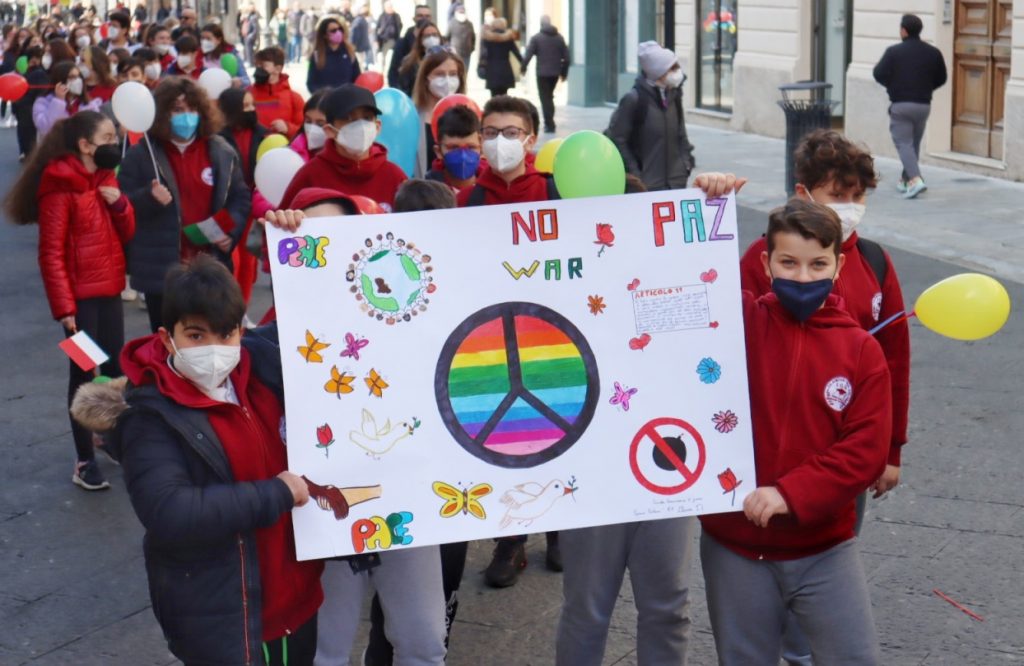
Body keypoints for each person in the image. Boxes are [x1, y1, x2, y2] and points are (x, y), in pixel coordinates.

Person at [69, 255, 324, 665]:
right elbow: (170, 511)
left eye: (226, 335)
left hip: (295, 603)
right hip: (223, 619)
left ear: (242, 331)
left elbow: (321, 312)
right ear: (167, 337)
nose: (213, 350)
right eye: (195, 335)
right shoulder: (149, 416)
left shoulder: (259, 370)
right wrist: (276, 493)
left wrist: (299, 239)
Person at [262, 184, 451, 666]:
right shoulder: (274, 328)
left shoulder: (412, 313)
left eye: (341, 233)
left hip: (407, 504)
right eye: (314, 232)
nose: (328, 244)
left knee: (425, 642)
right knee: (326, 650)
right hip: (322, 513)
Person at [700, 196, 891, 665]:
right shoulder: (738, 324)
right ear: (765, 263)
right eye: (788, 262)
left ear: (838, 264)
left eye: (817, 264)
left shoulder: (861, 351)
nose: (803, 277)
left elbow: (864, 451)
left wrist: (790, 492)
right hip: (735, 544)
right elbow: (687, 280)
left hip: (825, 548)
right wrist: (706, 205)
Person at [454, 96, 560, 586]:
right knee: (507, 439)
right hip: (494, 338)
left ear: (532, 139)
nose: (501, 142)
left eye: (512, 132)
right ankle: (510, 541)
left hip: (555, 335)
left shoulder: (560, 193)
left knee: (562, 431)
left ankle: (561, 529)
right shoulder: (468, 201)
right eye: (491, 132)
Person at [4, 110, 134, 492]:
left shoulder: (105, 178)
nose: (115, 143)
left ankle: (106, 437)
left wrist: (121, 205)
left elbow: (127, 231)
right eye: (109, 137)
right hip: (79, 304)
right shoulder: (59, 186)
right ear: (85, 145)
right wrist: (65, 310)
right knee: (83, 376)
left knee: (113, 369)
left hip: (109, 292)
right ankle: (84, 460)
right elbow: (51, 253)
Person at [118, 76, 251, 332]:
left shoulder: (221, 151)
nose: (186, 116)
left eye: (192, 109)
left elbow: (240, 197)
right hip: (163, 267)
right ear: (162, 113)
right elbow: (122, 204)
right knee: (167, 337)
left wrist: (229, 232)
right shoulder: (142, 155)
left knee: (211, 334)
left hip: (210, 264)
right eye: (178, 110)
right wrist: (148, 197)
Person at [279, 83, 407, 210]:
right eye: (349, 118)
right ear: (330, 130)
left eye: (367, 118)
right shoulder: (310, 175)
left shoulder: (395, 177)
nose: (360, 126)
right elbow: (278, 226)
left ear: (377, 127)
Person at [872, 13, 947, 199]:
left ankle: (916, 179)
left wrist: (892, 85)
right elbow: (942, 78)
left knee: (904, 143)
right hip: (923, 105)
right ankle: (905, 180)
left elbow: (878, 73)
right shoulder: (933, 52)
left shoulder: (893, 52)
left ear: (903, 30)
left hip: (901, 105)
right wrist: (926, 88)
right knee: (912, 144)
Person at [606, 41, 693, 191]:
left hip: (676, 184)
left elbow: (681, 133)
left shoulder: (673, 94)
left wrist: (686, 164)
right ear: (658, 72)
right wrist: (636, 175)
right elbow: (617, 140)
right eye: (672, 69)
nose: (677, 72)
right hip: (648, 186)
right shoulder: (634, 99)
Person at [455, 94, 554, 208]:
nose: (499, 140)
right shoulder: (464, 201)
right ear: (481, 140)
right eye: (491, 133)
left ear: (530, 142)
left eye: (511, 133)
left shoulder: (553, 193)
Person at [218, 87, 267, 303]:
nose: (250, 110)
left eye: (252, 105)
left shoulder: (262, 134)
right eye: (245, 106)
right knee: (229, 260)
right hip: (229, 206)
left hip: (253, 205)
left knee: (248, 264)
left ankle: (242, 309)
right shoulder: (218, 138)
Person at [411, 47, 467, 177]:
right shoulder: (412, 117)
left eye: (453, 74)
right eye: (439, 74)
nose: (447, 80)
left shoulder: (468, 114)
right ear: (425, 78)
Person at [522, 15, 568, 134]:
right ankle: (550, 121)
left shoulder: (537, 38)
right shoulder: (559, 38)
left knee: (545, 98)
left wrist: (523, 67)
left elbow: (528, 54)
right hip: (555, 73)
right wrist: (564, 73)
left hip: (542, 73)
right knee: (549, 97)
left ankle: (549, 124)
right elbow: (567, 57)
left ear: (540, 24)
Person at [32, 60, 103, 137]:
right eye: (72, 77)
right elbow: (46, 129)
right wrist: (59, 101)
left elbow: (96, 130)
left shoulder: (89, 104)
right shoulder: (43, 102)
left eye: (79, 76)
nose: (77, 81)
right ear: (61, 81)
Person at [425, 104, 483, 191]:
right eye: (453, 148)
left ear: (481, 147)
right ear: (438, 152)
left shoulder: (495, 188)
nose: (463, 156)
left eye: (470, 147)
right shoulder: (425, 193)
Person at [250, 45, 304, 136]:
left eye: (263, 65)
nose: (259, 69)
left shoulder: (294, 98)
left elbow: (304, 130)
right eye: (257, 65)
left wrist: (288, 128)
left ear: (278, 69)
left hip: (283, 148)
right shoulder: (247, 94)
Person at [305, 16, 360, 93]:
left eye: (340, 29)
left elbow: (357, 78)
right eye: (333, 30)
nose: (338, 32)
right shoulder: (316, 55)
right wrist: (321, 96)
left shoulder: (350, 53)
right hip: (325, 101)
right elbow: (311, 83)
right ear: (324, 35)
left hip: (347, 99)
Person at [14, 45, 46, 159]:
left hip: (28, 106)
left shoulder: (40, 72)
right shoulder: (33, 72)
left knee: (28, 134)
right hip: (27, 107)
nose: (35, 60)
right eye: (33, 58)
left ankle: (29, 153)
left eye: (38, 57)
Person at [394, 19, 441, 96]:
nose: (432, 38)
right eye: (427, 36)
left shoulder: (446, 58)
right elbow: (404, 87)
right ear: (420, 39)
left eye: (435, 35)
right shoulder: (410, 62)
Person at [478, 17, 521, 97]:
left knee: (493, 95)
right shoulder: (509, 38)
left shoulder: (487, 38)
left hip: (492, 70)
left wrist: (480, 66)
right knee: (504, 94)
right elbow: (516, 53)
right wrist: (523, 64)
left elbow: (483, 54)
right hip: (505, 69)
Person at [375, 0, 402, 71]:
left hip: (394, 39)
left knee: (391, 57)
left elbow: (400, 25)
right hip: (384, 40)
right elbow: (377, 28)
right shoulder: (382, 16)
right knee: (383, 57)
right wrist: (376, 39)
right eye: (388, 7)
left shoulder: (396, 16)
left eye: (391, 6)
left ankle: (390, 70)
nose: (390, 8)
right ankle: (383, 71)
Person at [446, 3, 474, 68]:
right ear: (456, 12)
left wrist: (472, 48)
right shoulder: (452, 23)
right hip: (455, 52)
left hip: (467, 53)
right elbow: (447, 37)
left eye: (463, 12)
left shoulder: (469, 24)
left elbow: (473, 38)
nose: (461, 13)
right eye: (460, 12)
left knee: (465, 70)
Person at [350, 2, 374, 72]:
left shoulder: (358, 21)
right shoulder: (362, 20)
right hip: (362, 46)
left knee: (360, 63)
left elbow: (355, 34)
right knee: (361, 62)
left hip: (359, 46)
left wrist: (353, 45)